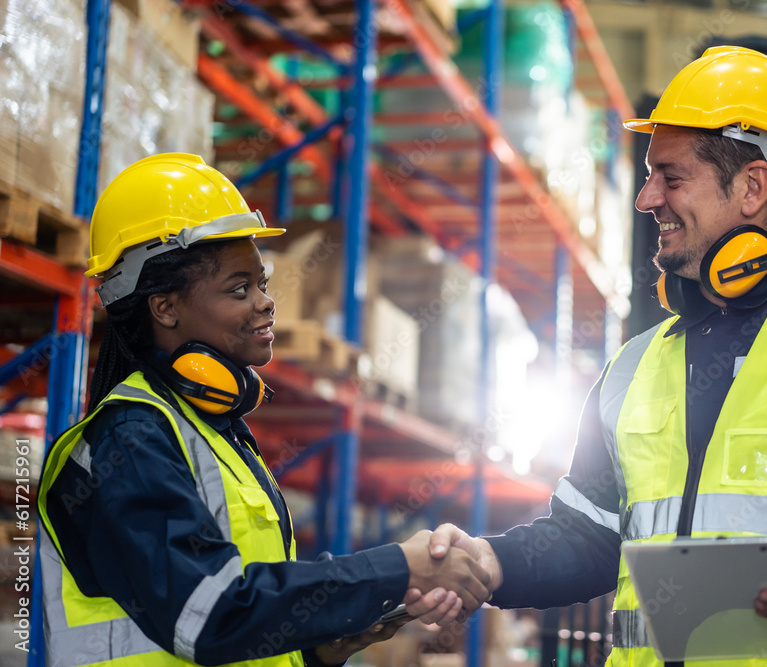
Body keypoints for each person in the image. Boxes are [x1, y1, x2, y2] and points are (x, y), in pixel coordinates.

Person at [420, 46, 767, 666]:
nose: (646, 199)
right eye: (648, 176)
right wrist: (490, 561)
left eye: (670, 177)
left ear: (752, 187)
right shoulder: (631, 367)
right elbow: (585, 539)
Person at [37, 153, 491, 667]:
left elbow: (243, 626)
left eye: (263, 283)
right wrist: (396, 568)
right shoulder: (127, 438)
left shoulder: (218, 435)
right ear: (164, 307)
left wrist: (319, 646)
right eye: (239, 289)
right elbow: (209, 615)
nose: (266, 302)